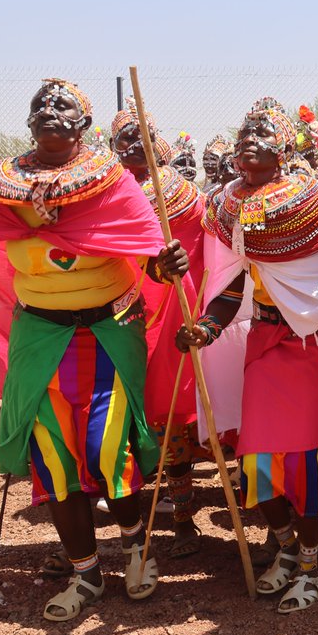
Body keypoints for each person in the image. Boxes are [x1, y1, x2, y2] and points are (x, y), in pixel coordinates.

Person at [0, 79, 187, 621]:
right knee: (55, 459)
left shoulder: (111, 183)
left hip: (107, 334)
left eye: (63, 105)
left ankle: (137, 547)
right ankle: (86, 573)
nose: (49, 110)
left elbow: (144, 252)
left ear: (84, 125)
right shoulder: (1, 189)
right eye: (39, 104)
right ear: (29, 122)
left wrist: (164, 264)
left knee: (106, 447)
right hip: (40, 339)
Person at [177, 101, 318, 614]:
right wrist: (207, 327)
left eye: (262, 132)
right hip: (266, 348)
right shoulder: (229, 205)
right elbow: (233, 284)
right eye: (245, 129)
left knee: (304, 465)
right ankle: (285, 548)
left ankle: (309, 566)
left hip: (314, 348)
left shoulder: (312, 204)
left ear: (284, 149)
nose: (249, 136)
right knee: (257, 466)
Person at [111, 102, 207, 558]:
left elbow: (204, 247)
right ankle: (131, 520)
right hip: (116, 315)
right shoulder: (101, 194)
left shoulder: (186, 196)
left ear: (159, 145)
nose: (134, 145)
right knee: (119, 418)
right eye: (125, 138)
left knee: (171, 413)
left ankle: (184, 515)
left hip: (172, 308)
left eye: (142, 136)